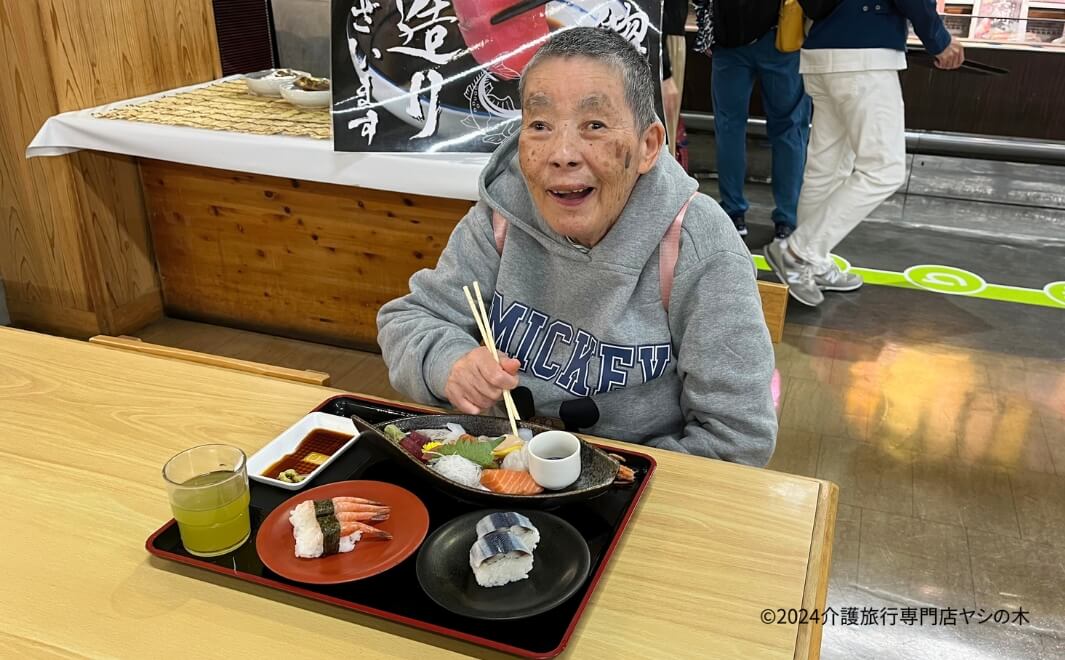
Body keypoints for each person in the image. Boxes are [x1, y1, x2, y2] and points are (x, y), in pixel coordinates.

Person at [377, 28, 776, 466]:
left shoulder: (697, 247)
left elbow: (736, 438)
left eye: (595, 125)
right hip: (497, 472)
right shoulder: (502, 215)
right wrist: (448, 362)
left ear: (647, 146)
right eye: (541, 125)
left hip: (636, 492)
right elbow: (409, 319)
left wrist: (605, 480)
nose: (561, 153)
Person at [764, 0, 964, 306]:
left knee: (826, 168)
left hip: (821, 50)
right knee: (884, 169)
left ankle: (813, 264)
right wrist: (938, 39)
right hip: (866, 54)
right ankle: (796, 252)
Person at [694, 0, 811, 240]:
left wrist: (707, 31)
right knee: (789, 128)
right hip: (780, 37)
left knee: (729, 128)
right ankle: (787, 219)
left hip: (729, 40)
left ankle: (734, 212)